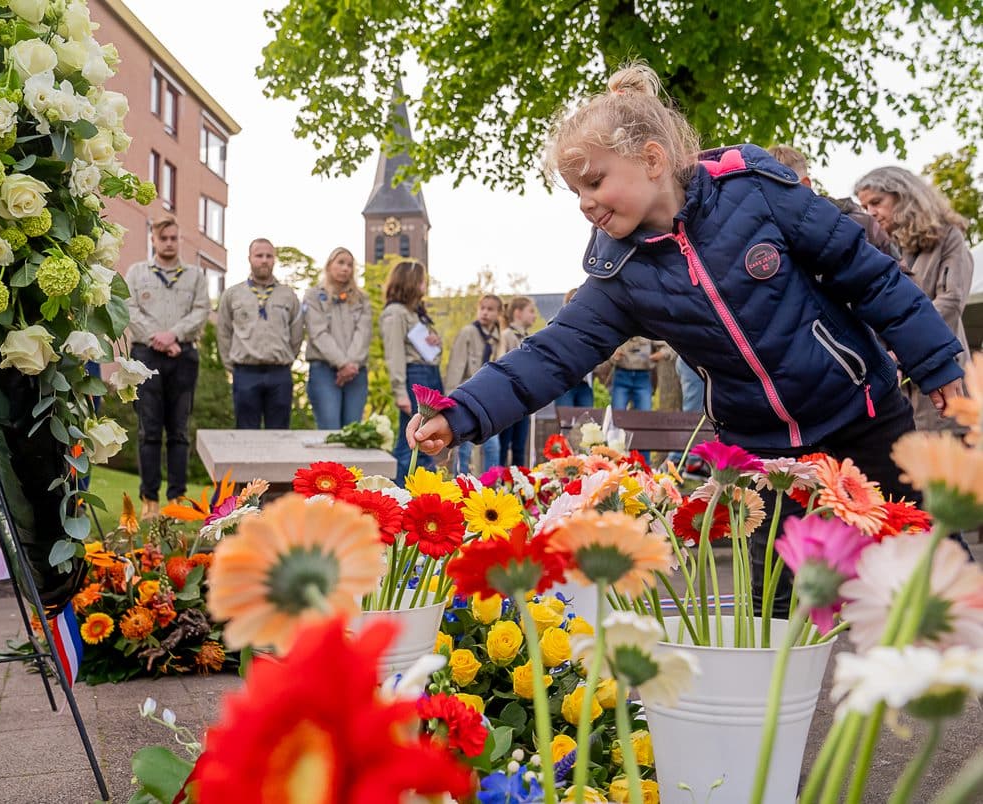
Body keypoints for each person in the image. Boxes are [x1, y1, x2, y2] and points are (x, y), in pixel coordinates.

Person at [408, 62, 967, 617]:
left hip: (859, 411)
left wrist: (936, 359)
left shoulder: (757, 193)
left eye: (595, 181)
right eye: (575, 189)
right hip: (766, 449)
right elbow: (551, 354)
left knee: (929, 557)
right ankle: (775, 702)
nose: (584, 201)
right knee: (776, 600)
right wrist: (462, 412)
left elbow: (864, 271)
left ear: (652, 159)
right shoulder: (621, 274)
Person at [855, 166, 973, 433]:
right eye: (864, 206)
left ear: (904, 196)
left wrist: (904, 344)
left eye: (876, 202)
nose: (870, 212)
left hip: (947, 375)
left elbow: (952, 301)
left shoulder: (948, 237)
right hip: (901, 386)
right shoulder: (882, 250)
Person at [126, 216, 210, 518]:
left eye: (174, 238)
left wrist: (174, 335)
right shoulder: (137, 273)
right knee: (148, 430)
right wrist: (157, 338)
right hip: (146, 355)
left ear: (180, 239)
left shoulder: (195, 277)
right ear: (153, 240)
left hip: (183, 356)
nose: (169, 243)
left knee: (178, 430)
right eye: (164, 239)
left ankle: (177, 497)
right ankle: (149, 499)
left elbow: (202, 310)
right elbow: (129, 309)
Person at [766, 145, 904, 266]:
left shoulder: (860, 223)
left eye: (783, 191)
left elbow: (904, 278)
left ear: (805, 185)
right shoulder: (768, 243)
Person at [217, 238, 303, 430]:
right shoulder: (233, 294)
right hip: (246, 371)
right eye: (259, 255)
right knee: (246, 434)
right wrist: (231, 364)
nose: (264, 260)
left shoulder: (288, 295)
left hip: (279, 372)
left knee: (279, 433)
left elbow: (297, 333)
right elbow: (223, 331)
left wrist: (287, 358)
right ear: (250, 258)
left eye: (269, 256)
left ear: (274, 259)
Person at [380, 259, 443, 480]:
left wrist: (436, 342)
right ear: (410, 282)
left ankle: (424, 489)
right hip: (414, 375)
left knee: (426, 436)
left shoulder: (417, 313)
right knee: (411, 439)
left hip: (429, 373)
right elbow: (394, 353)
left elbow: (427, 348)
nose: (425, 285)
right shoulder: (395, 313)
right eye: (421, 281)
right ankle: (400, 492)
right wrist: (400, 392)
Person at [303, 247, 371, 430]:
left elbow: (363, 333)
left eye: (350, 265)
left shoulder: (362, 299)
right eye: (340, 263)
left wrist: (352, 365)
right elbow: (318, 333)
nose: (345, 268)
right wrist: (342, 363)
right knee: (330, 430)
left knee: (353, 430)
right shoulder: (314, 296)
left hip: (356, 372)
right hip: (324, 370)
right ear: (329, 265)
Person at [445, 294, 502, 475]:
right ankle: (459, 486)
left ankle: (490, 486)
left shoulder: (499, 338)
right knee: (464, 448)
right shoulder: (468, 332)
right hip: (467, 397)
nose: (484, 312)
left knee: (493, 447)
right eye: (482, 308)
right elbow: (456, 366)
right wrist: (449, 401)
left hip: (490, 400)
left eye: (490, 309)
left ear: (499, 313)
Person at [495, 296, 537, 467]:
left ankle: (519, 485)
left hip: (524, 400)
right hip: (508, 400)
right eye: (531, 311)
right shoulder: (506, 336)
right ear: (518, 313)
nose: (534, 316)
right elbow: (499, 363)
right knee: (504, 445)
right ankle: (498, 485)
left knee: (520, 446)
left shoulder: (530, 338)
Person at [554, 287, 595, 409]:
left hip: (585, 384)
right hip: (564, 384)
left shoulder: (592, 328)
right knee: (566, 423)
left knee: (587, 423)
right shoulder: (557, 325)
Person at [609, 336, 672, 410]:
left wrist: (654, 356)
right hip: (622, 375)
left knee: (645, 415)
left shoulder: (647, 329)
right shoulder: (619, 328)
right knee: (616, 413)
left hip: (643, 377)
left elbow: (668, 350)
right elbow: (606, 352)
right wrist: (614, 356)